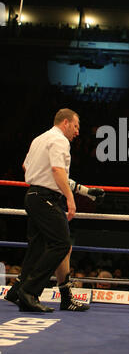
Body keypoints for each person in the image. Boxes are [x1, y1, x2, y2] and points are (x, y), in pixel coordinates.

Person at [5, 108, 104, 312]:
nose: (78, 131)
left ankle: (18, 290)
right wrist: (71, 199)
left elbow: (27, 167)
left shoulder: (39, 139)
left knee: (38, 247)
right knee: (61, 244)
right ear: (65, 123)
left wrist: (84, 191)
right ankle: (30, 291)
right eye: (76, 126)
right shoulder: (60, 141)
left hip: (34, 196)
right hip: (46, 198)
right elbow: (57, 171)